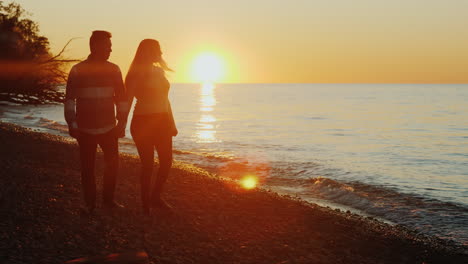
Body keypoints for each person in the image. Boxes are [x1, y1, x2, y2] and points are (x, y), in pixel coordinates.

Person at [64, 30, 128, 214]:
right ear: (96, 46)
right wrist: (72, 123)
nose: (110, 49)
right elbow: (70, 99)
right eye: (107, 45)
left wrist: (122, 122)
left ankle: (108, 200)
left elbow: (121, 98)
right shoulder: (78, 69)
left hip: (109, 127)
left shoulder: (114, 69)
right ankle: (89, 203)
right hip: (84, 128)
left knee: (113, 164)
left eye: (110, 46)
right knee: (87, 168)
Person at [125, 39, 177, 215]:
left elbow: (165, 99)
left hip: (162, 121)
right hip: (143, 122)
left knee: (166, 162)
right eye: (157, 49)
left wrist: (172, 123)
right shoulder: (135, 73)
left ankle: (156, 197)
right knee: (147, 164)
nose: (160, 52)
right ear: (147, 51)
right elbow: (127, 100)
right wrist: (121, 125)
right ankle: (145, 204)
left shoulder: (159, 71)